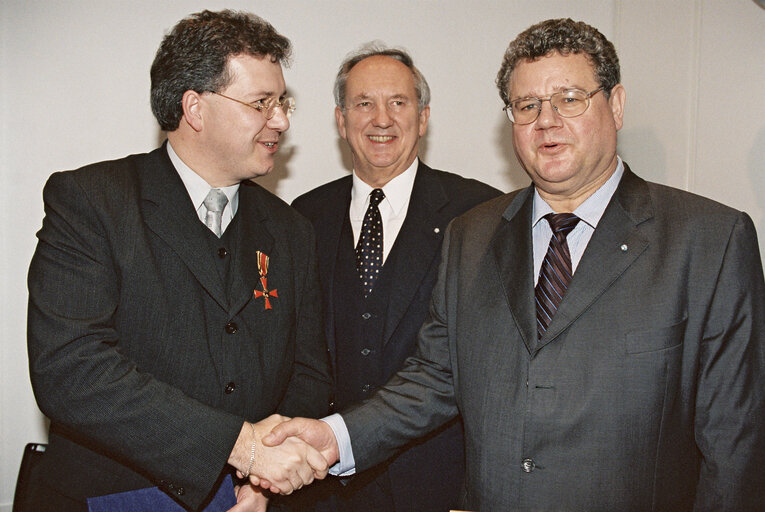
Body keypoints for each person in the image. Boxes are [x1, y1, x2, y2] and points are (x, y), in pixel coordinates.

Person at [262, 18, 765, 511]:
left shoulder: (709, 242)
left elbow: (735, 444)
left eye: (569, 99)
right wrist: (335, 437)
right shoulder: (472, 235)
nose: (546, 120)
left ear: (615, 105)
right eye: (527, 105)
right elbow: (436, 377)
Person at [26, 10, 331, 512]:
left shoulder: (291, 229)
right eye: (261, 103)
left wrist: (263, 480)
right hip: (113, 493)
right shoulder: (92, 201)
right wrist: (240, 447)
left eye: (282, 102)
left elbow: (309, 373)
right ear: (195, 108)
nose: (281, 120)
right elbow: (71, 369)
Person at [289, 45, 501, 511]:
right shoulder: (303, 217)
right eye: (364, 103)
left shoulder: (481, 214)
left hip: (439, 484)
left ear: (423, 118)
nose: (381, 119)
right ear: (341, 121)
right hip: (322, 485)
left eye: (398, 103)